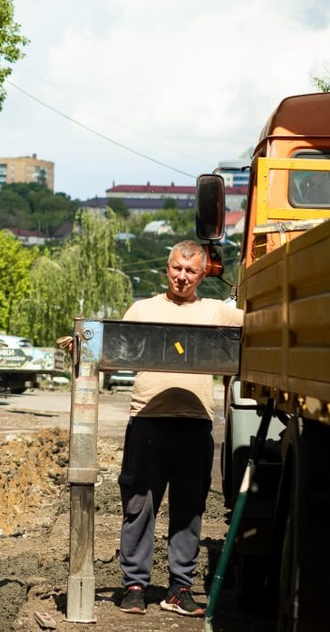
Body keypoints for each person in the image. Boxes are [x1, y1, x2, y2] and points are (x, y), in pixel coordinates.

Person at [116, 240, 243, 617]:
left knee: (189, 508)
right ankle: (135, 585)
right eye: (176, 269)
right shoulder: (143, 309)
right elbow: (113, 344)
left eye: (190, 271)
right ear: (167, 268)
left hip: (195, 425)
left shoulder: (217, 311)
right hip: (148, 421)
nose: (181, 277)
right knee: (139, 505)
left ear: (203, 274)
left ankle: (178, 588)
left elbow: (259, 325)